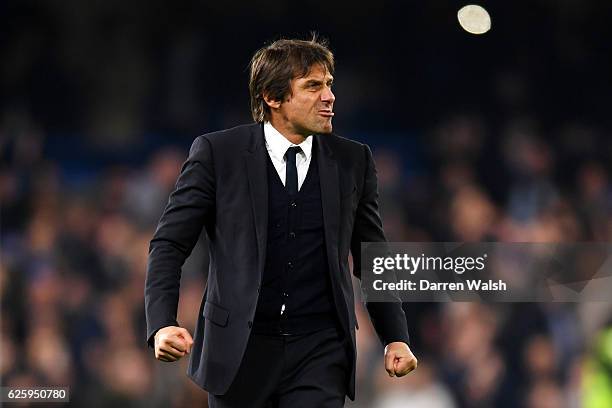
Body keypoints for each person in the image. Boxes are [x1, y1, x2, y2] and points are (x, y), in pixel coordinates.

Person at [144, 36, 417, 408]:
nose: (329, 96)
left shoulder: (354, 160)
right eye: (313, 86)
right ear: (273, 98)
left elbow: (372, 256)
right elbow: (169, 244)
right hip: (239, 352)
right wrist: (162, 322)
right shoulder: (217, 154)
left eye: (329, 84)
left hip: (320, 352)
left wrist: (394, 336)